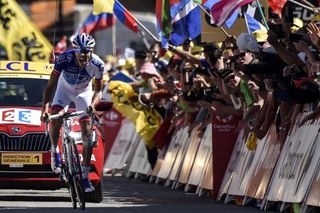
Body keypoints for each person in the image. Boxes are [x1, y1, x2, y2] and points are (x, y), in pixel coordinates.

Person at [40, 33, 104, 193]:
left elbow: (99, 90)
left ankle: (85, 176)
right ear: (74, 50)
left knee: (87, 133)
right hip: (64, 90)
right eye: (80, 51)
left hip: (84, 93)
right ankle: (55, 150)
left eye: (87, 51)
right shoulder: (63, 59)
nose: (84, 54)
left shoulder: (98, 64)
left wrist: (93, 105)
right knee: (56, 119)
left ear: (92, 50)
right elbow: (49, 87)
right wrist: (45, 109)